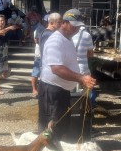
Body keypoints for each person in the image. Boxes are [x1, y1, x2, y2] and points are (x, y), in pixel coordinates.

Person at [39, 8, 96, 140]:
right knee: (50, 128)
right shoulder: (55, 41)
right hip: (51, 91)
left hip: (61, 91)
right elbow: (57, 68)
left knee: (61, 125)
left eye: (78, 27)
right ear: (64, 23)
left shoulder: (68, 39)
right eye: (74, 26)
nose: (76, 30)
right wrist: (81, 78)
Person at [31, 13, 62, 97]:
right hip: (48, 66)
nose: (61, 24)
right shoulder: (48, 34)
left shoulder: (47, 33)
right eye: (59, 22)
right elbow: (47, 53)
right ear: (51, 23)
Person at [30, 23, 45, 97]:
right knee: (35, 73)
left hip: (46, 55)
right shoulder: (39, 28)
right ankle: (34, 89)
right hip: (39, 55)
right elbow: (36, 40)